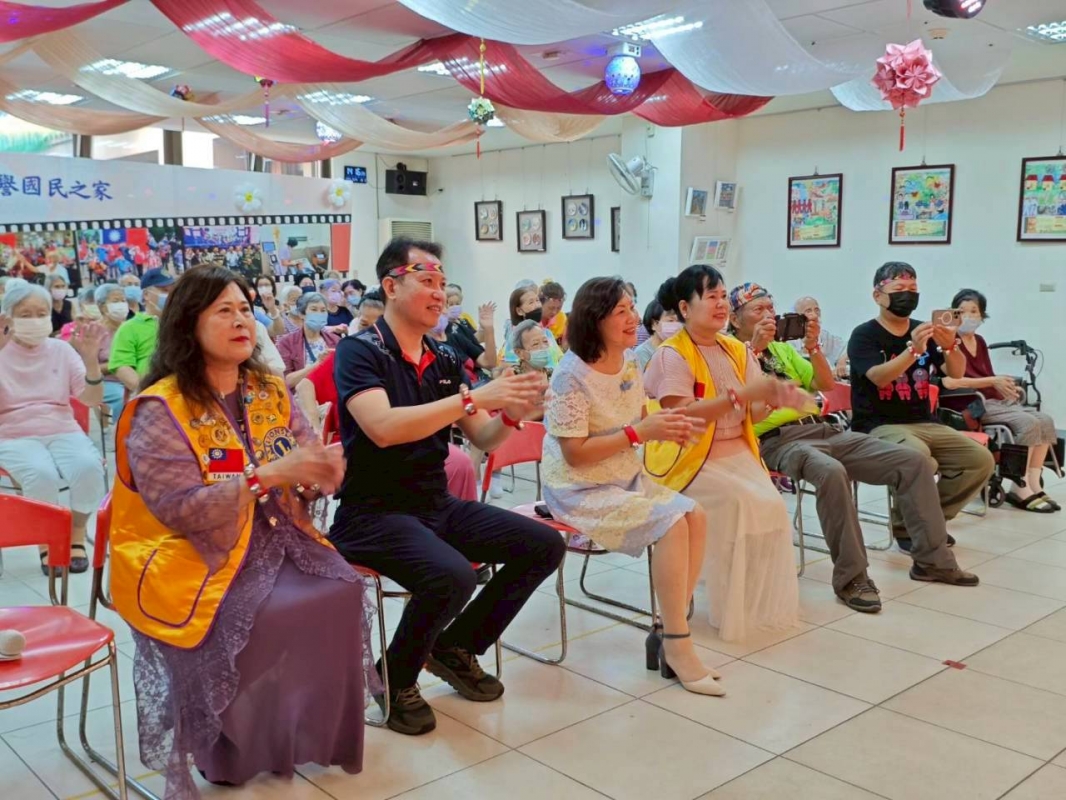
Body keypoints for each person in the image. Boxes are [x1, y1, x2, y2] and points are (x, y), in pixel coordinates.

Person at [109, 266, 369, 797]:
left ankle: (296, 732)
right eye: (224, 311)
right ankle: (229, 750)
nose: (241, 321)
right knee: (260, 613)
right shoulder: (160, 408)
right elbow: (180, 510)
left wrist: (316, 476)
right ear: (188, 323)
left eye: (246, 310)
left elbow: (301, 457)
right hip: (188, 551)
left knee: (341, 588)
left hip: (275, 534)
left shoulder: (268, 389)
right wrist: (266, 476)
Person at [328, 237, 565, 736]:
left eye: (442, 282)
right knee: (452, 575)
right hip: (372, 513)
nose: (439, 293)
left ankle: (455, 647)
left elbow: (482, 436)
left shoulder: (443, 355)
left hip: (433, 503)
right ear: (391, 285)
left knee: (543, 544)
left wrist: (512, 414)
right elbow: (383, 428)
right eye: (427, 280)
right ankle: (393, 679)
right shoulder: (359, 350)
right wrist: (474, 398)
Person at [730, 282, 978, 609]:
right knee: (831, 472)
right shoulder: (728, 352)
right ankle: (852, 578)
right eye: (758, 309)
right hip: (775, 440)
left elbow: (824, 383)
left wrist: (813, 347)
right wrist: (754, 350)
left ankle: (932, 560)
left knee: (912, 461)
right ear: (735, 318)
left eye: (770, 308)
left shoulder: (782, 350)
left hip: (822, 429)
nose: (768, 315)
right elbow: (738, 408)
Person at [542, 277, 721, 695]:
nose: (632, 318)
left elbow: (639, 419)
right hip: (577, 488)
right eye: (620, 311)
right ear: (595, 319)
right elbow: (575, 455)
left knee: (696, 515)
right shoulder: (570, 376)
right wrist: (641, 432)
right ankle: (678, 642)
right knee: (672, 523)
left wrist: (668, 428)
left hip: (624, 475)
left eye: (632, 308)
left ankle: (666, 630)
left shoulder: (630, 363)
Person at [644, 266, 806, 642]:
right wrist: (740, 397)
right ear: (685, 308)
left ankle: (757, 608)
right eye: (711, 297)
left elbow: (754, 413)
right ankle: (728, 608)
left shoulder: (736, 350)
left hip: (740, 454)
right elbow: (682, 414)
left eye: (722, 296)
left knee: (772, 506)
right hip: (690, 460)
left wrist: (774, 397)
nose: (720, 304)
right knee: (742, 504)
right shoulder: (672, 355)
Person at [847, 263, 995, 551]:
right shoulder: (864, 334)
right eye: (899, 289)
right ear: (878, 295)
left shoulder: (923, 330)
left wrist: (950, 346)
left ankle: (928, 522)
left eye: (913, 289)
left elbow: (955, 373)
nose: (908, 295)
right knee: (918, 458)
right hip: (879, 425)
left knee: (980, 461)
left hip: (925, 421)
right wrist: (913, 350)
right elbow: (879, 377)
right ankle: (911, 529)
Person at [0, 279, 106, 575]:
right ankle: (46, 540)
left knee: (89, 467)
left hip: (62, 427)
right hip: (12, 434)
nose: (35, 320)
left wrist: (91, 362)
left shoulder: (61, 350)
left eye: (41, 313)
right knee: (41, 473)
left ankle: (75, 535)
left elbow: (91, 399)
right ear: (8, 317)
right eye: (25, 314)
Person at [946, 288, 1060, 512]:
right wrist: (993, 381)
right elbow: (952, 380)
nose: (968, 316)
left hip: (991, 399)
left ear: (982, 315)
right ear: (953, 314)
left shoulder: (979, 341)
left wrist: (1005, 387)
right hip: (970, 402)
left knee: (1046, 420)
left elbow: (987, 375)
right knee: (1028, 423)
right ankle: (1019, 485)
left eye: (974, 311)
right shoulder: (949, 342)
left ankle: (1034, 483)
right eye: (962, 311)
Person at [109, 268, 173, 396]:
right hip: (151, 395)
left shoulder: (184, 322)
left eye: (173, 291)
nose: (170, 296)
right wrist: (148, 393)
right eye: (164, 290)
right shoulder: (130, 328)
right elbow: (122, 366)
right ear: (146, 295)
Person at [275, 292, 342, 389]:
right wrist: (317, 364)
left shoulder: (336, 340)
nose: (319, 314)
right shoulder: (286, 342)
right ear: (302, 314)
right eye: (314, 309)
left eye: (323, 310)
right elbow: (287, 382)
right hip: (301, 394)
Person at [500, 285, 564, 368]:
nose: (537, 305)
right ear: (519, 311)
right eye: (531, 302)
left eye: (537, 300)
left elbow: (560, 359)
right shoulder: (515, 337)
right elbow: (505, 365)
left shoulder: (547, 333)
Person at [791, 295, 848, 377]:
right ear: (797, 317)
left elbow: (852, 345)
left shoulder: (825, 336)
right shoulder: (791, 340)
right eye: (808, 311)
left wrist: (842, 360)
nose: (814, 315)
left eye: (817, 310)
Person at [635, 299, 680, 371]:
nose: (676, 326)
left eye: (678, 321)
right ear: (654, 324)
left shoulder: (676, 349)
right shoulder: (642, 353)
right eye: (671, 321)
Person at [252, 275, 286, 339]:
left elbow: (281, 329)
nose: (263, 287)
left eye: (266, 285)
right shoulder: (253, 307)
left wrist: (273, 309)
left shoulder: (277, 303)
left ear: (272, 287)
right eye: (260, 285)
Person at [539, 280, 568, 348]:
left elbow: (565, 344)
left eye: (559, 308)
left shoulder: (561, 317)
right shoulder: (531, 320)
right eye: (551, 308)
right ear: (540, 303)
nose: (554, 312)